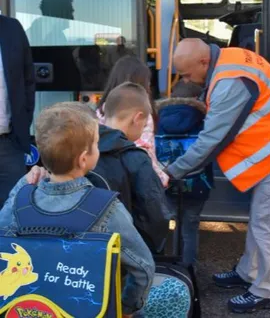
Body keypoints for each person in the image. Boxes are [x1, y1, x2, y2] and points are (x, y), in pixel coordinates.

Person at [164, 38, 270, 314]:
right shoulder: (230, 58)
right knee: (259, 217)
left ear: (203, 62)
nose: (186, 80)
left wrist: (172, 172)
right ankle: (248, 272)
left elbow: (212, 140)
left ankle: (266, 291)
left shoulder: (229, 81)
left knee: (266, 222)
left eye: (187, 74)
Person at [0, 103, 155, 318]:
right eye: (97, 144)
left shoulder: (22, 195)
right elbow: (143, 267)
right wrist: (127, 308)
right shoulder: (106, 207)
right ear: (84, 158)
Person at [93, 82, 171, 253]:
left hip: (88, 248)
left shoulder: (83, 150)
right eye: (144, 126)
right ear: (137, 118)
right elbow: (155, 215)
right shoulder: (136, 158)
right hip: (126, 252)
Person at [156, 79, 213, 266]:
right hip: (197, 184)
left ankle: (161, 270)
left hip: (166, 183)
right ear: (197, 98)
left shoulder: (157, 119)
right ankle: (188, 273)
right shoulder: (205, 120)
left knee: (164, 225)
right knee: (189, 228)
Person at [97, 55, 169, 187]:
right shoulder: (142, 113)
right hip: (137, 180)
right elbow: (145, 150)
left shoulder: (102, 110)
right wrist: (161, 176)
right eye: (147, 82)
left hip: (108, 178)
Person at [0, 13, 35, 209]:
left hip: (8, 143)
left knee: (13, 213)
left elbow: (28, 79)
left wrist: (23, 121)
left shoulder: (12, 29)